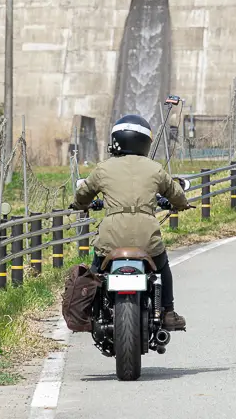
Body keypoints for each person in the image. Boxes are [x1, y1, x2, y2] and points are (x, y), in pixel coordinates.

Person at [70, 114, 192, 331]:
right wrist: (181, 204)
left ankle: (88, 311)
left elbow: (83, 193)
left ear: (116, 139)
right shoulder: (155, 168)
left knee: (96, 270)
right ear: (145, 142)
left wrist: (80, 204)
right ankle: (169, 312)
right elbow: (177, 194)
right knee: (162, 266)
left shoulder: (103, 168)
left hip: (111, 235)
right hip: (147, 237)